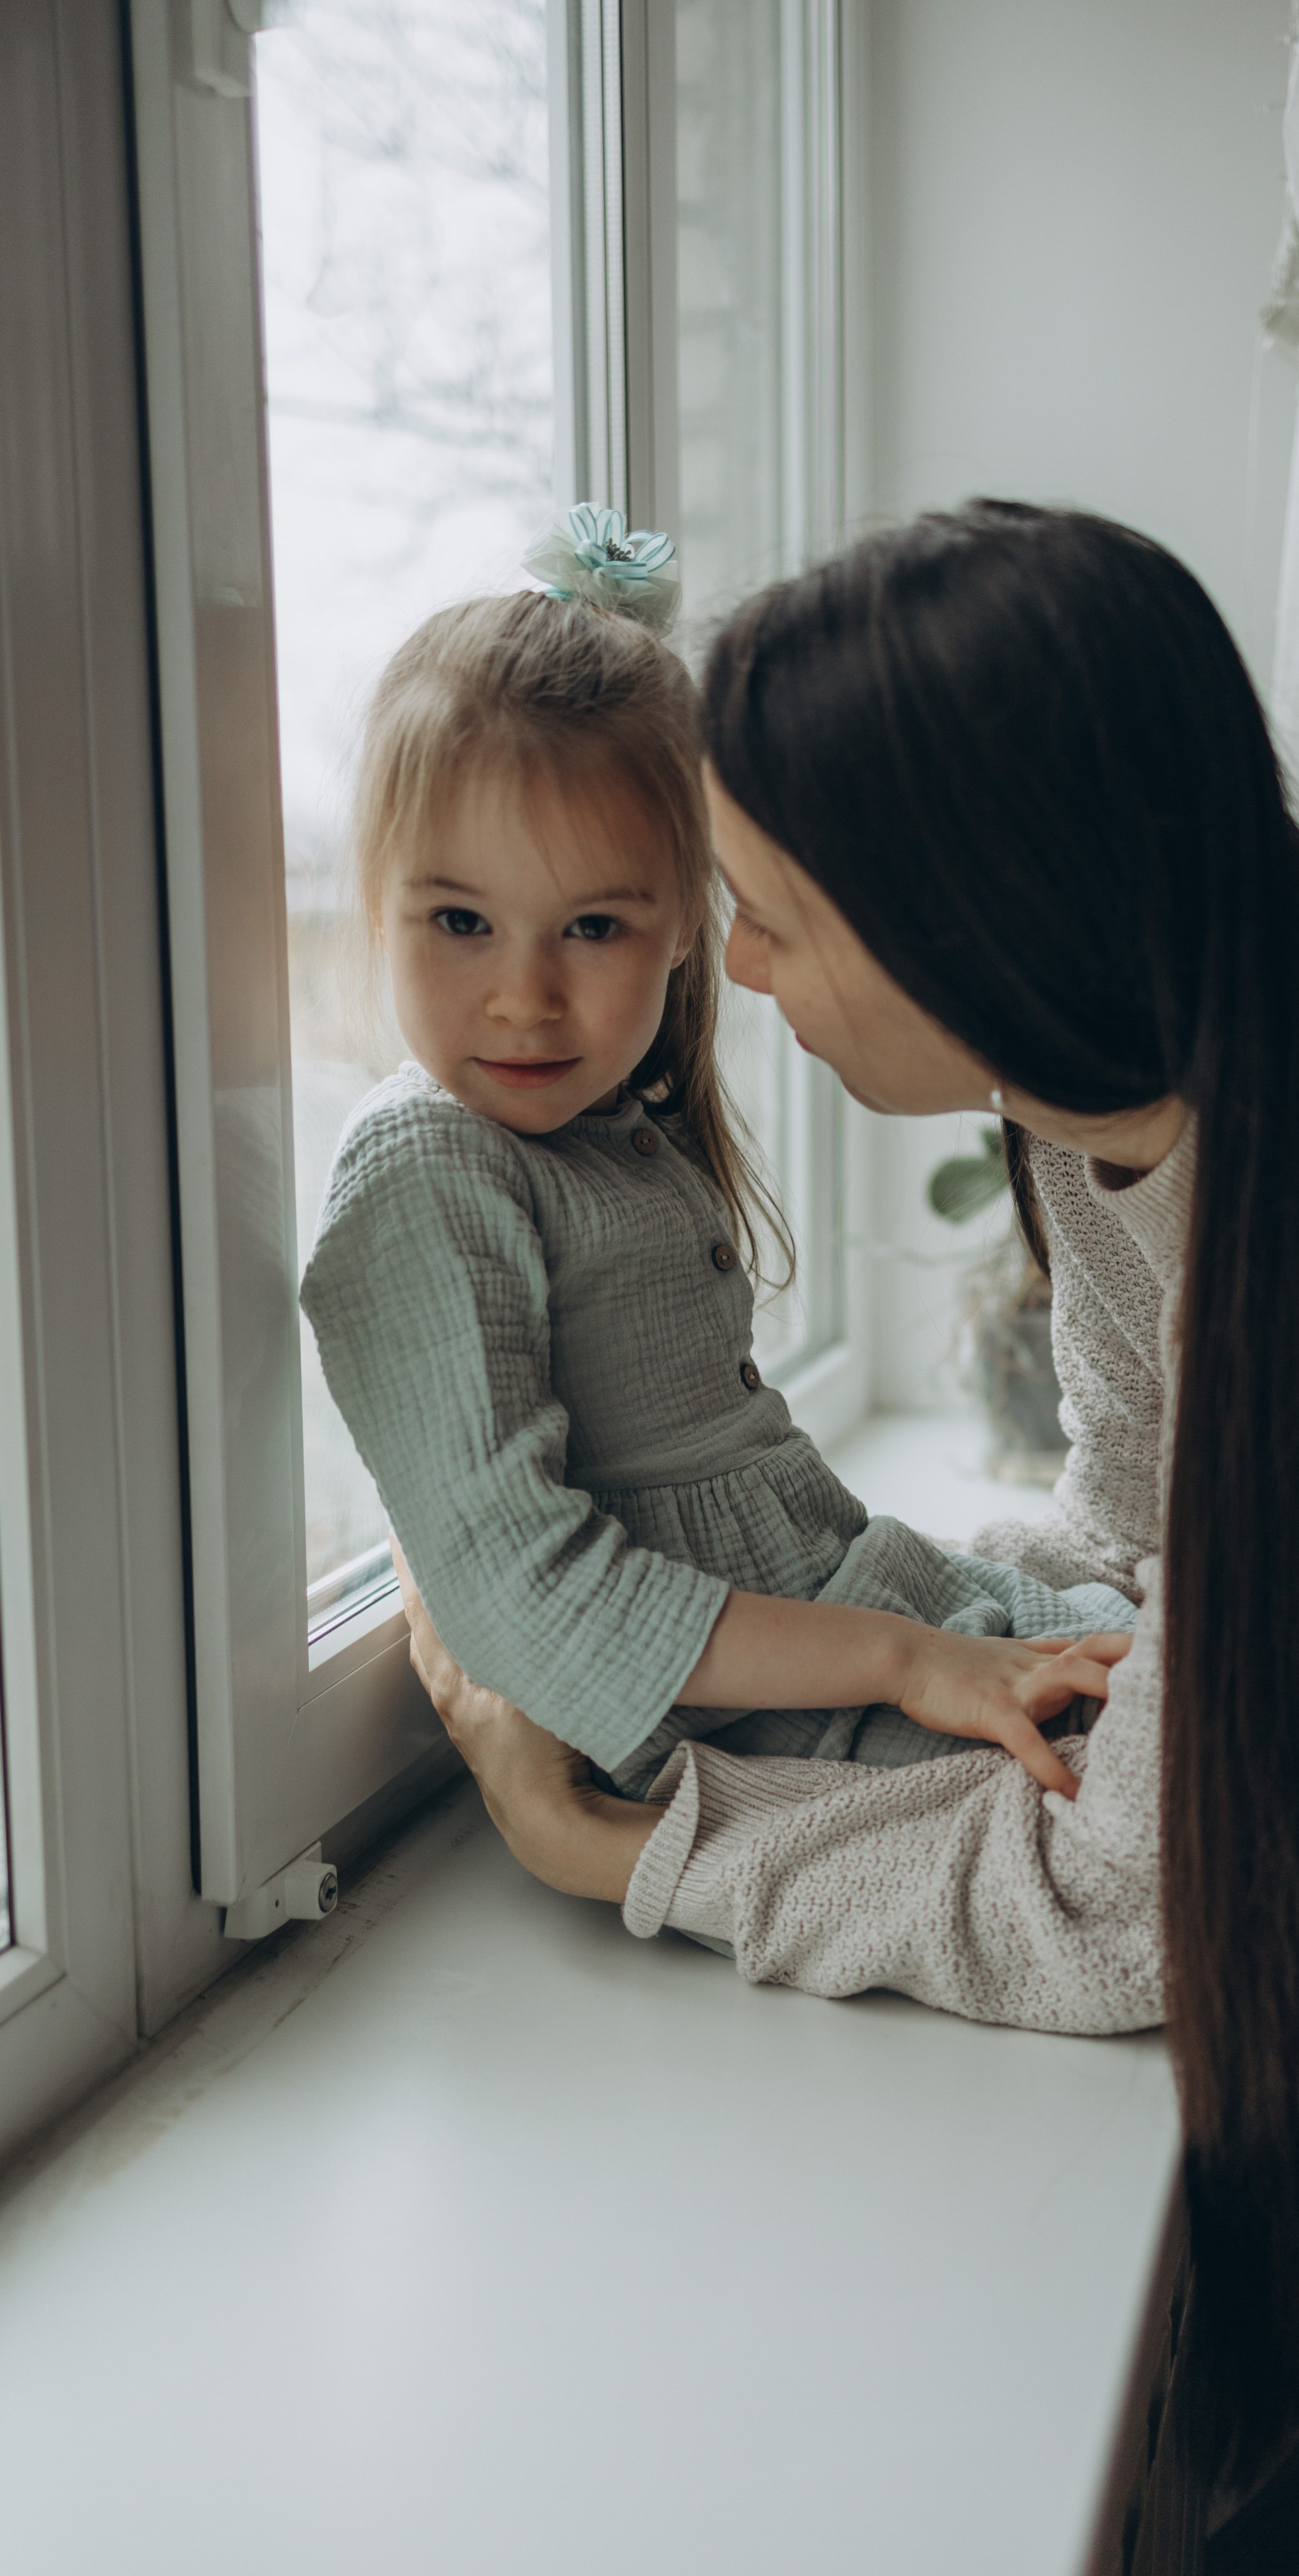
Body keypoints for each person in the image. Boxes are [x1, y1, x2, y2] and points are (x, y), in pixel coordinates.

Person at [397, 501, 1299, 2570]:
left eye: (764, 912)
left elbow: (1140, 1900)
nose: (728, 969)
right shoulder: (1150, 1092)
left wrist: (633, 1847)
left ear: (970, 924)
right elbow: (1161, 1548)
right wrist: (921, 1628)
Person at [299, 505, 1136, 1821]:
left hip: (871, 1627)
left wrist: (931, 1633)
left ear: (686, 925)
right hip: (764, 1716)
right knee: (1184, 1811)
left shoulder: (614, 1129)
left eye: (590, 926)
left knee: (1234, 1694)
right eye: (459, 919)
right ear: (376, 903)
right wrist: (908, 1657)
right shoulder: (424, 1174)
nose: (523, 996)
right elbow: (531, 1595)